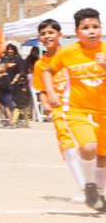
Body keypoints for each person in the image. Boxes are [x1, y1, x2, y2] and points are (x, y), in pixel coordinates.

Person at [43, 8, 106, 211]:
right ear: (77, 32)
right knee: (88, 147)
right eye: (86, 28)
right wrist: (51, 93)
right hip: (77, 109)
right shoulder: (69, 52)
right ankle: (89, 185)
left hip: (103, 111)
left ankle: (100, 194)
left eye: (95, 27)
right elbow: (48, 71)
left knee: (104, 156)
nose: (91, 31)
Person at [34, 19, 83, 202]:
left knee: (89, 146)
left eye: (51, 32)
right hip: (59, 109)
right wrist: (45, 102)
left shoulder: (71, 54)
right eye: (43, 33)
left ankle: (96, 185)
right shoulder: (40, 64)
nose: (47, 36)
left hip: (80, 106)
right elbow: (41, 89)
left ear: (59, 35)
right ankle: (85, 188)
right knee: (68, 146)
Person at [0, 44, 27, 128]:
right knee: (4, 102)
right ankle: (7, 120)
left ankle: (16, 120)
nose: (10, 51)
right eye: (9, 49)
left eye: (12, 49)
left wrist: (14, 80)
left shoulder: (18, 59)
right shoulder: (4, 58)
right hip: (4, 83)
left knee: (14, 102)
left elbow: (21, 71)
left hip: (15, 84)